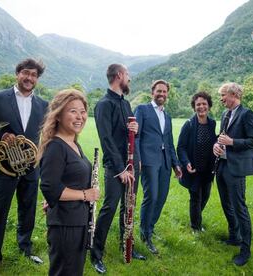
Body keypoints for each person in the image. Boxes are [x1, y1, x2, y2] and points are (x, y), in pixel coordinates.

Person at [0, 58, 48, 276]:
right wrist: (0, 135)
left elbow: (45, 133)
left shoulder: (43, 104)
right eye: (26, 73)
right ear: (17, 74)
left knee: (28, 210)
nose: (30, 78)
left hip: (30, 167)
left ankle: (25, 247)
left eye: (34, 75)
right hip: (4, 166)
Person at [90, 64, 146, 274]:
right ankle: (96, 254)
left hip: (132, 163)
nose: (129, 79)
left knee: (128, 206)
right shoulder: (104, 105)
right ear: (119, 76)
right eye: (128, 75)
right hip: (116, 167)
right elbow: (106, 140)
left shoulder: (126, 103)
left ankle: (127, 245)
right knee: (110, 207)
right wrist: (121, 169)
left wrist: (136, 130)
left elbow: (129, 134)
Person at [38, 89, 100, 276]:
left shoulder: (74, 143)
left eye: (82, 111)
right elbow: (49, 187)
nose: (80, 116)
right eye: (73, 111)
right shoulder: (56, 147)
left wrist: (56, 198)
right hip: (66, 225)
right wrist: (85, 195)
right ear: (58, 115)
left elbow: (62, 181)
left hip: (76, 221)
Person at [213, 82, 253, 266]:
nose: (221, 99)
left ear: (233, 94)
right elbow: (221, 137)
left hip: (237, 169)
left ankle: (245, 250)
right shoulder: (225, 114)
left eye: (223, 95)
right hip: (222, 166)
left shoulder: (247, 114)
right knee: (226, 204)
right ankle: (234, 237)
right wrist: (217, 145)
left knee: (239, 208)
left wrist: (232, 142)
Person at [134, 79, 182, 254]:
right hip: (148, 160)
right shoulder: (142, 110)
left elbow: (169, 142)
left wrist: (176, 164)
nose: (161, 94)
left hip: (165, 162)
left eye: (164, 91)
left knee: (161, 197)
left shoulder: (167, 116)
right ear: (152, 92)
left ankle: (150, 228)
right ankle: (144, 234)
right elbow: (136, 136)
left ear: (167, 94)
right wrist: (136, 157)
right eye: (158, 91)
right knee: (151, 196)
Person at [177, 92, 217, 233]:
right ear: (194, 107)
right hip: (193, 170)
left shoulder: (212, 124)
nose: (201, 107)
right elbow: (181, 147)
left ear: (209, 106)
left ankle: (196, 219)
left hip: (207, 169)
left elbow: (213, 142)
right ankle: (196, 227)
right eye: (198, 104)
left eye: (204, 104)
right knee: (196, 197)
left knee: (205, 196)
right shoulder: (188, 125)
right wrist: (186, 162)